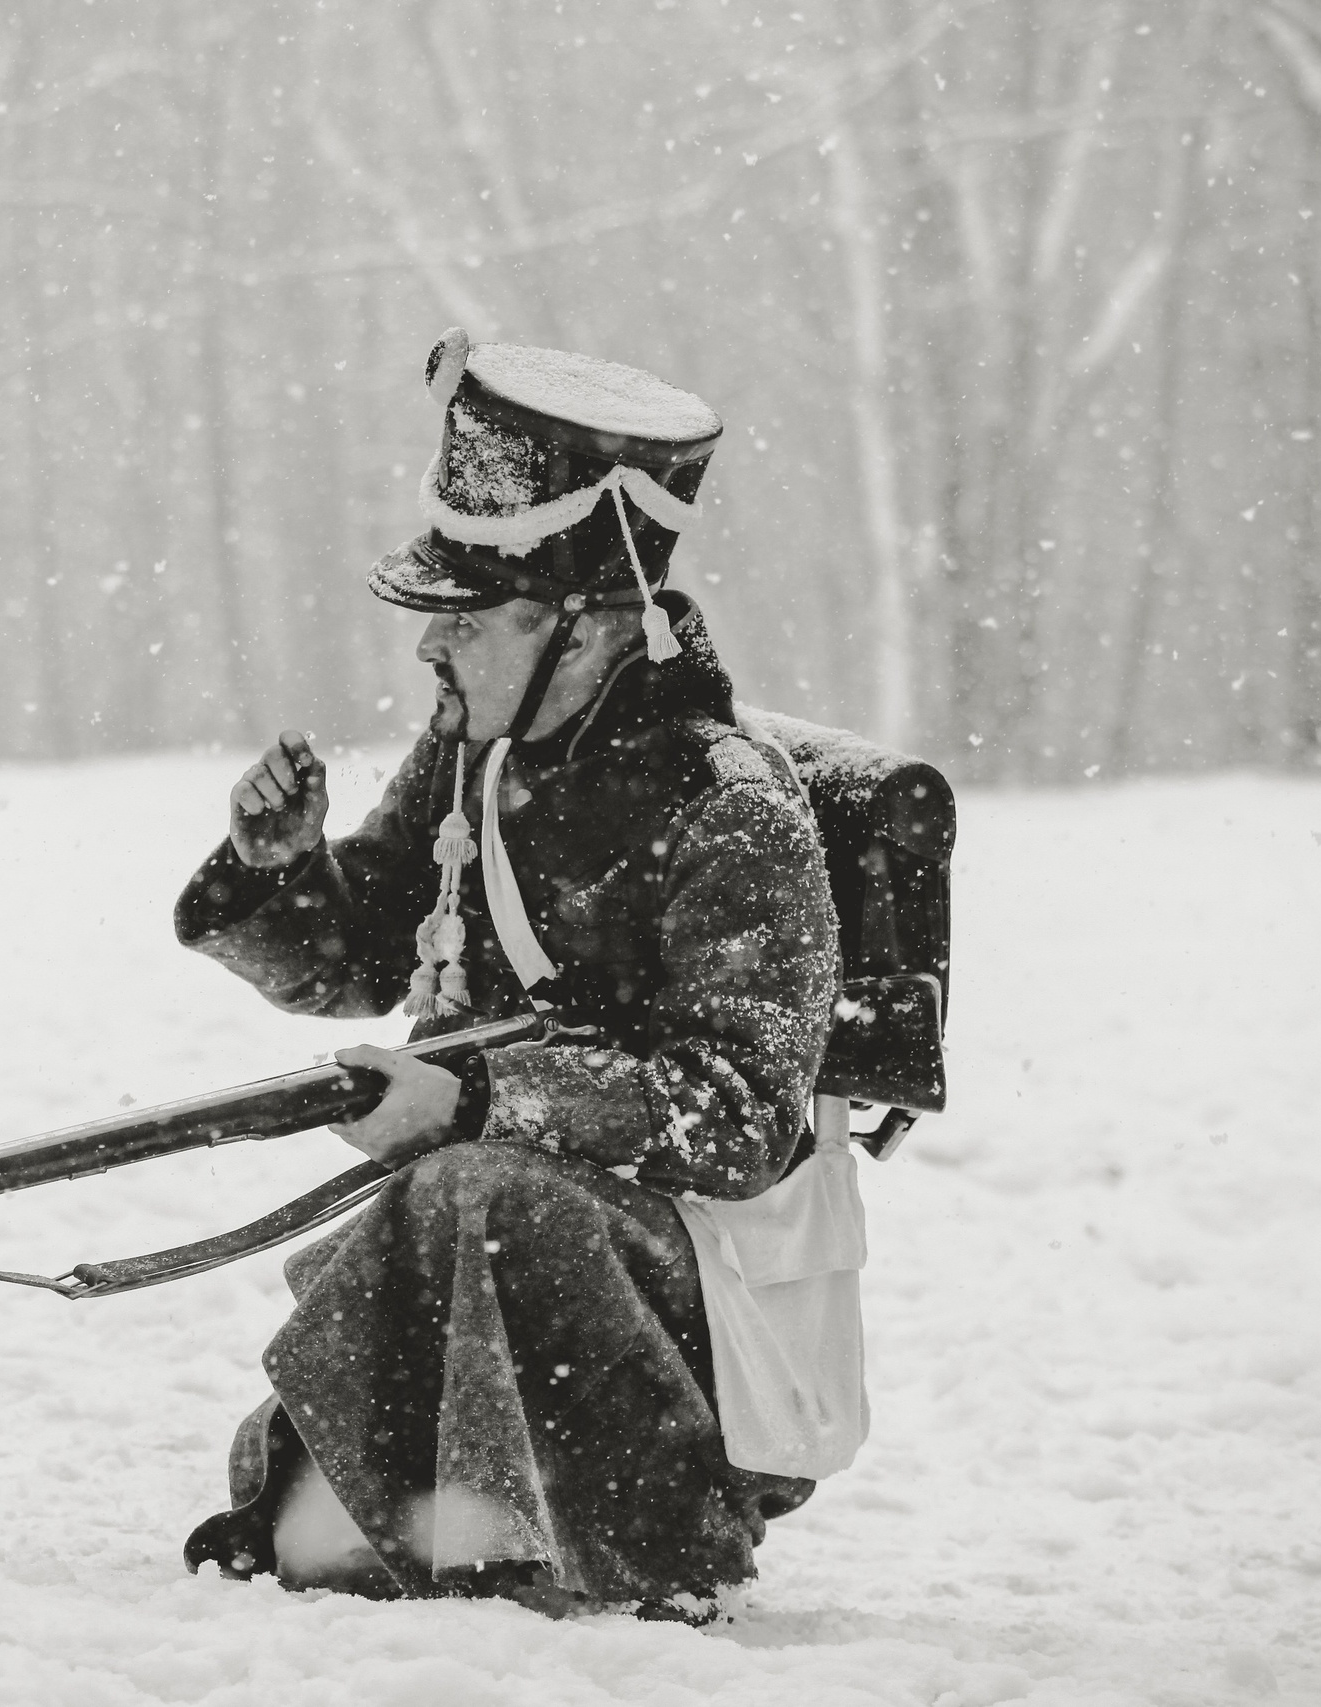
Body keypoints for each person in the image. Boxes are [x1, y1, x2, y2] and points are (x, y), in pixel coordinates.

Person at [172, 330, 857, 1619]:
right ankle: (352, 1522)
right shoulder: (475, 762)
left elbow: (739, 1118)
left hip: (706, 1299)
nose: (432, 654)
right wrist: (278, 873)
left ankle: (604, 1538)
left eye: (470, 624)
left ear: (593, 629)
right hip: (509, 1232)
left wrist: (485, 1105)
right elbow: (366, 956)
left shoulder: (735, 813)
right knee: (471, 1189)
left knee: (483, 1189)